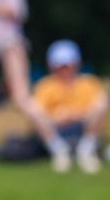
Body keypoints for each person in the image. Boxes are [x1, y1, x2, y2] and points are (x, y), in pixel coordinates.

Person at [24, 40, 106, 173]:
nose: (65, 70)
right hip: (56, 130)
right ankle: (59, 151)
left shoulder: (89, 83)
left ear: (77, 64)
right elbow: (36, 115)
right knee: (31, 106)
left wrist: (73, 114)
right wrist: (57, 117)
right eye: (61, 66)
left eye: (68, 65)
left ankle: (86, 151)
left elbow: (97, 109)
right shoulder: (45, 85)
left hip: (82, 127)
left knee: (102, 102)